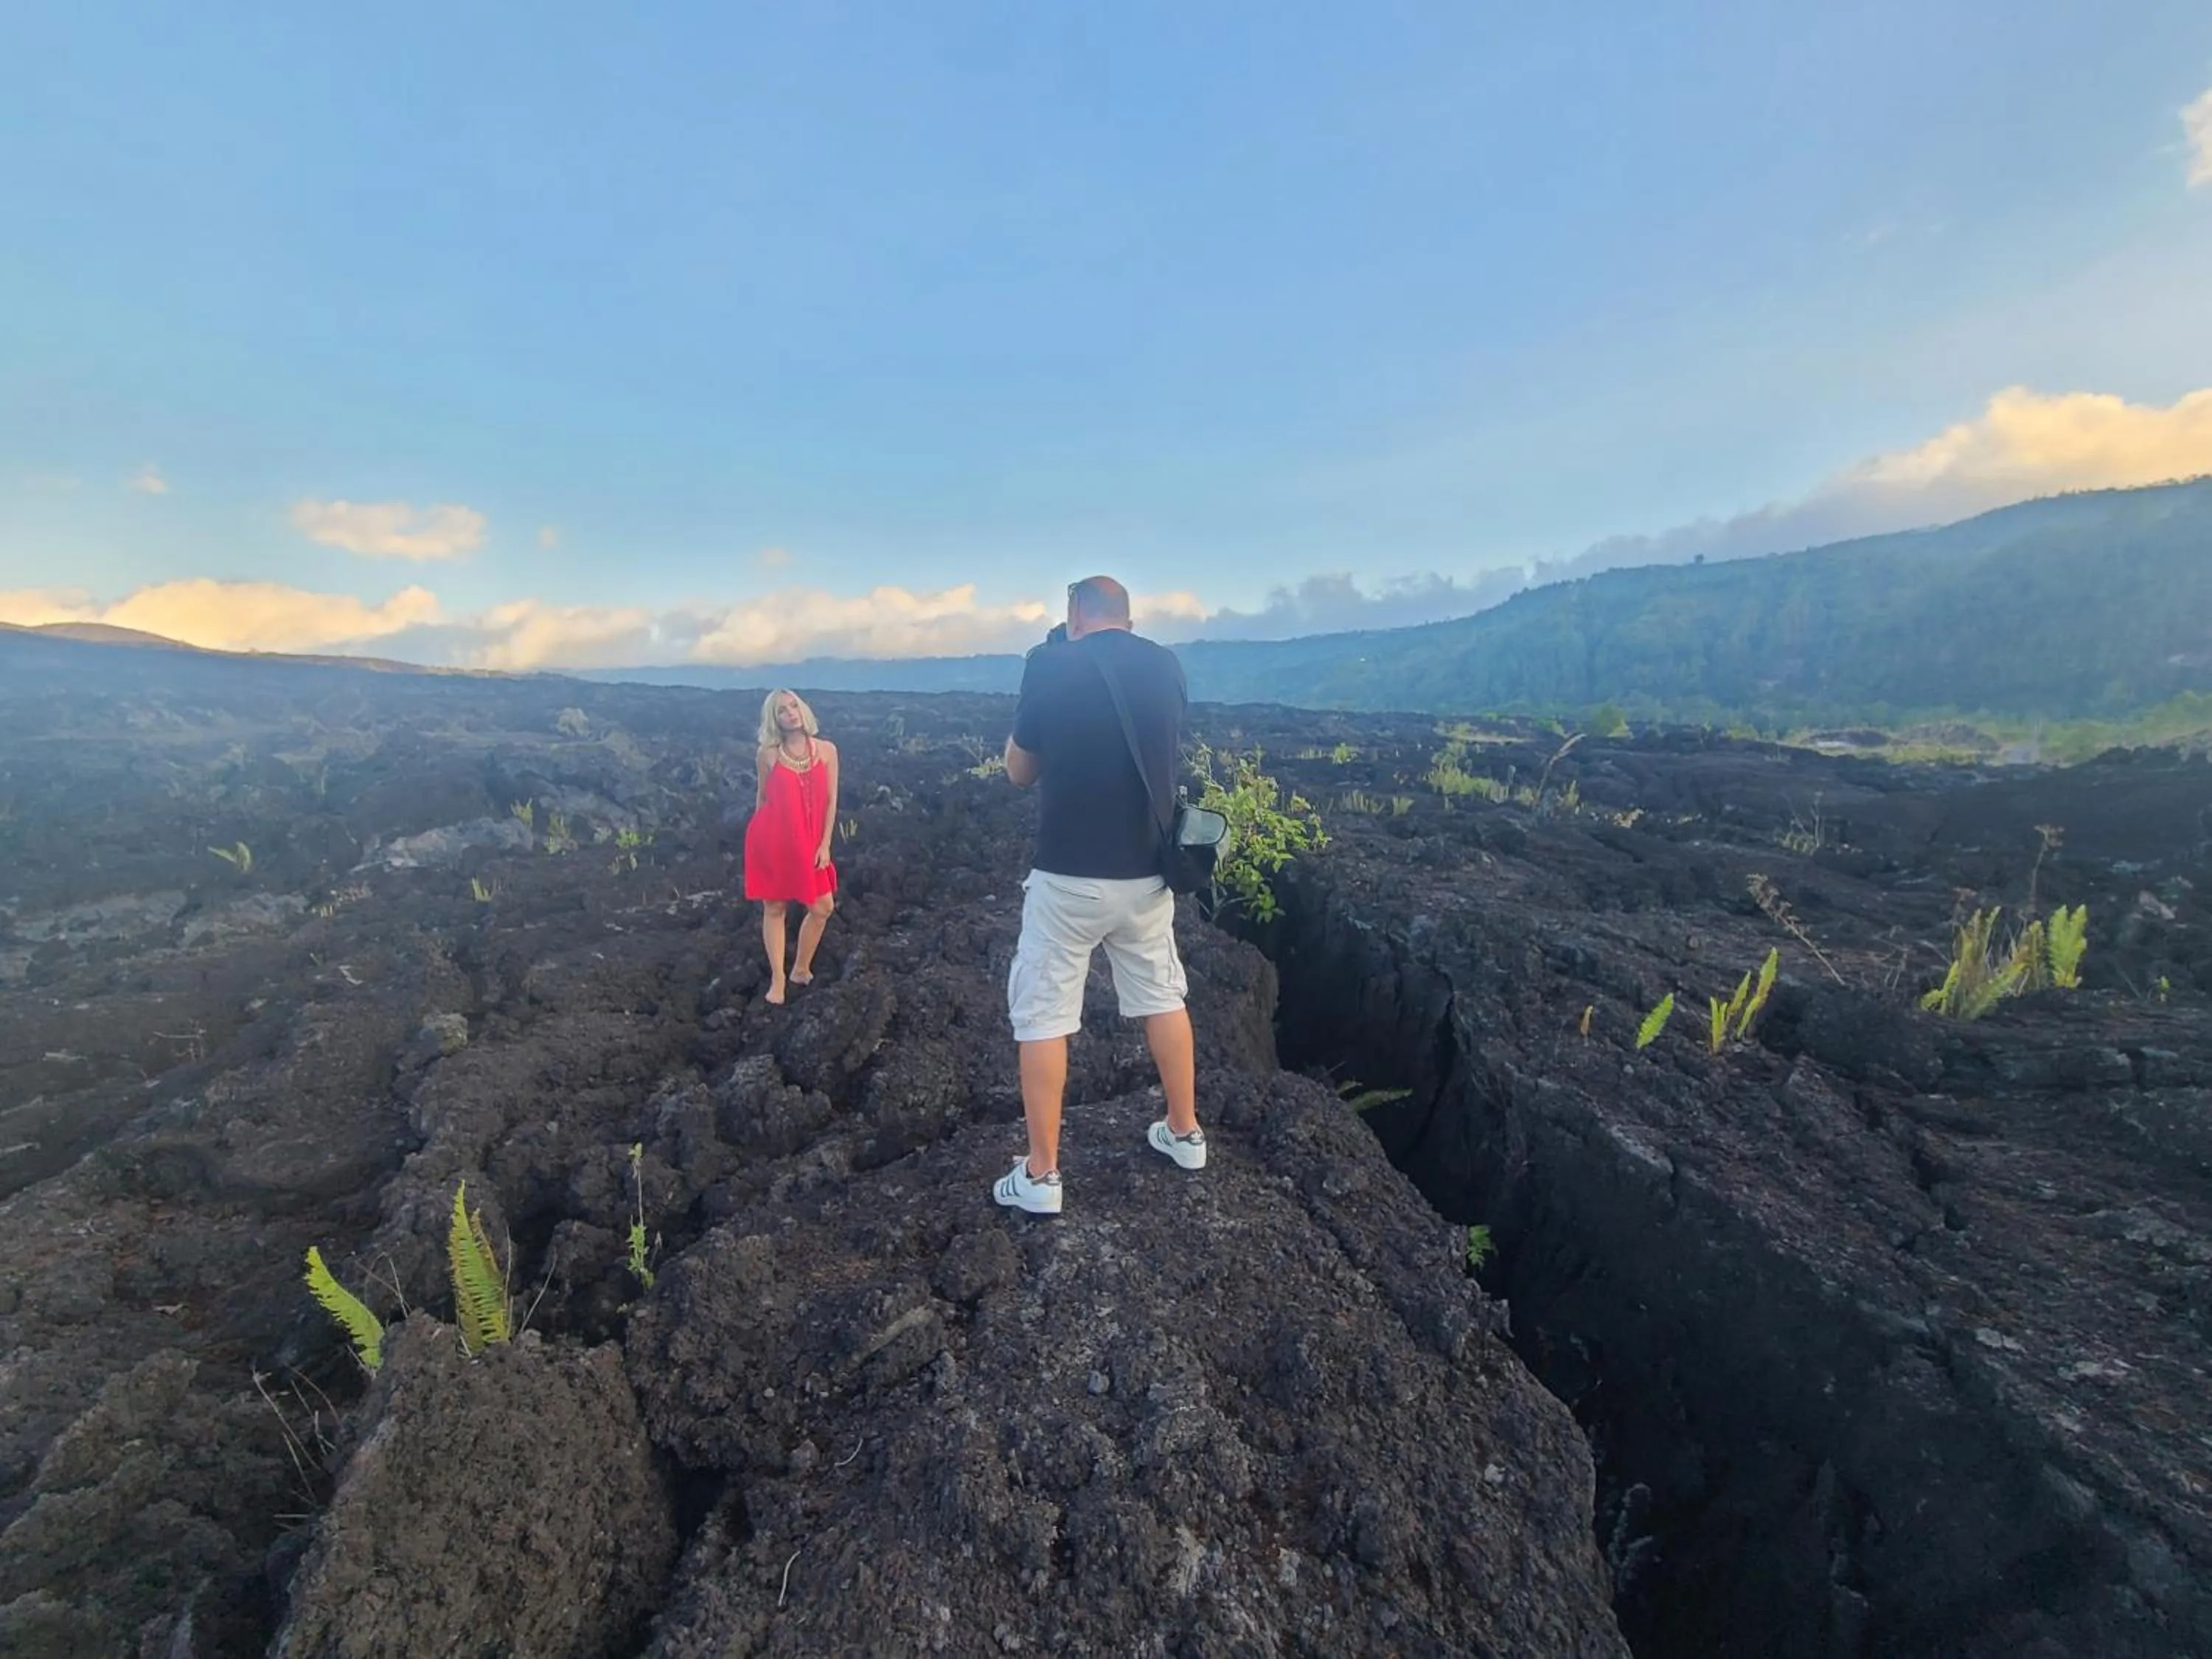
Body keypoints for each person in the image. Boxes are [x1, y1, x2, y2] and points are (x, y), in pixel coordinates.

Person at [994, 575, 1203, 1216]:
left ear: (1072, 615)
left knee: (1044, 1016)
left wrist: (1049, 665)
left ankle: (1043, 1174)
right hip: (1147, 875)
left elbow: (1017, 770)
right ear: (1130, 619)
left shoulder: (1051, 666)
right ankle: (1185, 1132)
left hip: (1068, 876)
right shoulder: (1166, 666)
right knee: (1161, 996)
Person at [743, 688, 838, 1006]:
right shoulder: (768, 756)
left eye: (793, 705)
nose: (790, 713)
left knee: (823, 907)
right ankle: (778, 979)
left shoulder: (826, 751)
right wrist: (757, 845)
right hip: (775, 840)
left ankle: (800, 968)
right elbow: (763, 798)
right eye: (782, 710)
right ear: (775, 720)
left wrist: (825, 844)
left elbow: (830, 801)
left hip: (811, 843)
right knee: (775, 907)